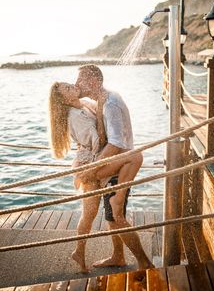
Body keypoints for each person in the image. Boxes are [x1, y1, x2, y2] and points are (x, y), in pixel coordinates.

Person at [48, 81, 150, 272]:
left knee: (96, 213)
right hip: (91, 163)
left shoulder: (84, 104)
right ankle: (80, 251)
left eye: (69, 84)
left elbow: (101, 113)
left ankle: (102, 254)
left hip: (98, 160)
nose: (72, 86)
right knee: (90, 213)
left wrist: (102, 103)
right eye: (67, 88)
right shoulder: (75, 116)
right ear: (64, 100)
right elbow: (98, 142)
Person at [73, 64, 154, 271]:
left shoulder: (110, 104)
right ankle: (118, 256)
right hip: (114, 166)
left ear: (94, 82)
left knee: (117, 218)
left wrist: (91, 168)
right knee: (111, 217)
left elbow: (116, 143)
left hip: (121, 167)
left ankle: (144, 262)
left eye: (80, 79)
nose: (76, 84)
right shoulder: (102, 100)